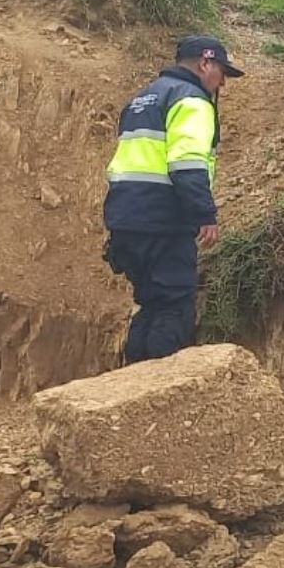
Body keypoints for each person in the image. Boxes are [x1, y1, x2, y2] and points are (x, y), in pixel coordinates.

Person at [101, 35, 243, 364]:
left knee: (151, 303)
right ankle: (156, 392)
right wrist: (205, 214)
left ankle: (129, 384)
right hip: (162, 220)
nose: (222, 83)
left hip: (126, 220)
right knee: (174, 306)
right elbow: (187, 163)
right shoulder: (192, 100)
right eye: (221, 72)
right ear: (204, 63)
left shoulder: (144, 98)